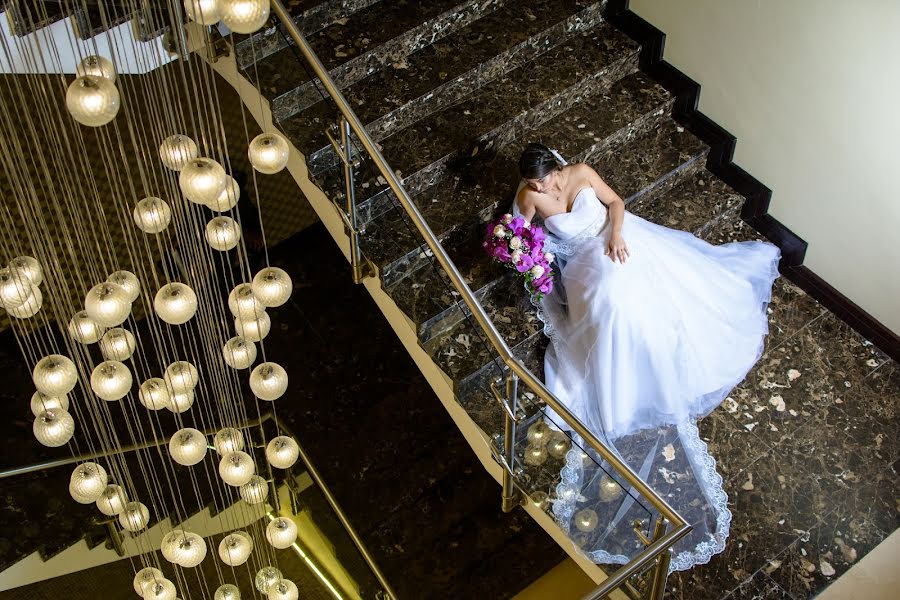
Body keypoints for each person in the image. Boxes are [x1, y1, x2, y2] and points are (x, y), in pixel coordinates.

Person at [513, 143, 780, 571]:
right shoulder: (529, 198)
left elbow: (616, 202)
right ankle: (620, 372)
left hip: (613, 239)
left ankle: (655, 354)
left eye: (544, 179)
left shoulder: (581, 173)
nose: (541, 187)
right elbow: (519, 236)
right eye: (534, 183)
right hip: (582, 265)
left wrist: (616, 234)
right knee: (607, 301)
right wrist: (520, 252)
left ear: (556, 169)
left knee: (628, 291)